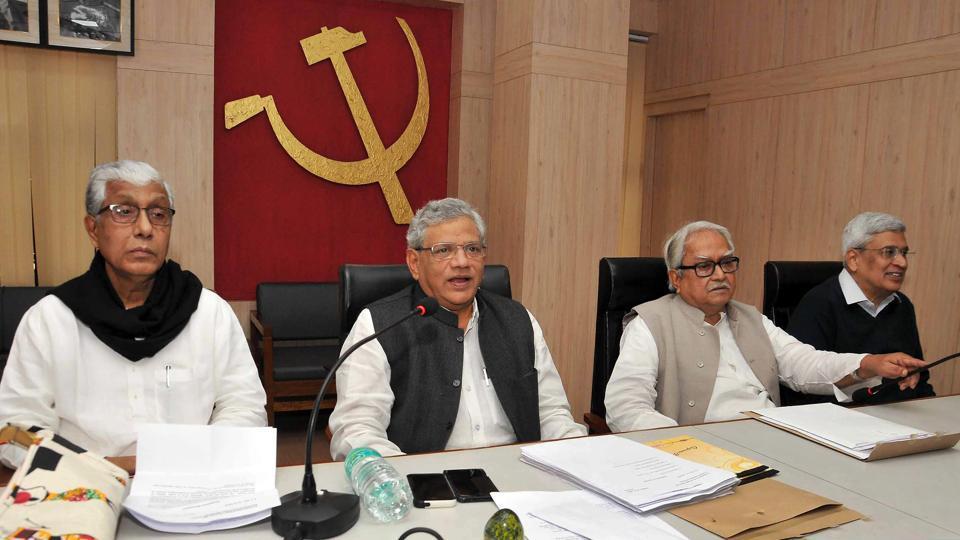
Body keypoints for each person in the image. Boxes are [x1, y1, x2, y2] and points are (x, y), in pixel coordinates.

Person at [0, 160, 266, 468]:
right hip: (83, 491)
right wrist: (90, 468)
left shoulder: (209, 313)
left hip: (191, 482)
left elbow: (245, 408)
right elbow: (14, 428)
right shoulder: (50, 320)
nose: (144, 229)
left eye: (158, 214)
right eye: (123, 212)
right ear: (93, 229)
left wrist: (198, 459)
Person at [604, 221, 925, 432]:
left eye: (727, 263)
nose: (720, 275)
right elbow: (625, 405)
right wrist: (679, 445)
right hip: (701, 451)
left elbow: (804, 363)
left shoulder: (750, 317)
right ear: (676, 277)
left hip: (774, 439)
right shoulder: (650, 322)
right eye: (704, 266)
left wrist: (867, 364)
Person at [329, 198, 585, 460]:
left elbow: (552, 414)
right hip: (426, 484)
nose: (462, 261)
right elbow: (357, 429)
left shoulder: (518, 319)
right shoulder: (378, 326)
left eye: (473, 249)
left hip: (519, 475)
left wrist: (582, 457)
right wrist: (402, 477)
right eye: (443, 250)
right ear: (415, 263)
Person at [788, 212, 934, 402]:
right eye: (889, 252)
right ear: (853, 260)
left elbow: (919, 381)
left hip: (900, 417)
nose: (902, 262)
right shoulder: (819, 303)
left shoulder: (902, 305)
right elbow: (804, 387)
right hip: (842, 422)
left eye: (904, 253)